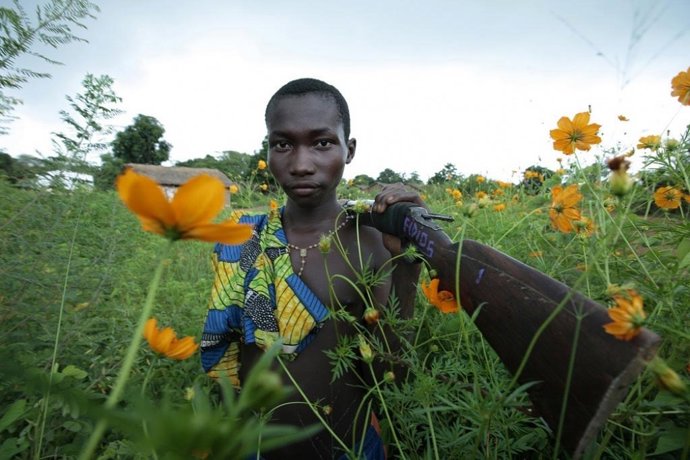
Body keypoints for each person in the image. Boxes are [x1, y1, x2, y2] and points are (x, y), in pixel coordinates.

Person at [200, 78, 424, 459]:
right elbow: (229, 350)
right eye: (282, 144)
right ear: (268, 149)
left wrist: (406, 265)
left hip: (348, 448)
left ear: (349, 149)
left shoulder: (371, 241)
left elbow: (390, 374)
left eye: (322, 143)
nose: (301, 164)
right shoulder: (241, 238)